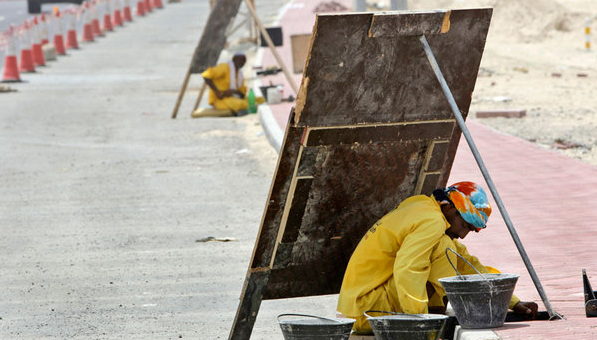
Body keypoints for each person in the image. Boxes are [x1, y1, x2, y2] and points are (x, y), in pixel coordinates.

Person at [337, 181, 538, 333]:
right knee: (445, 247)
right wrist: (419, 322)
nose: (463, 234)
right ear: (450, 208)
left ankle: (430, 311)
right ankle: (430, 313)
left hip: (362, 307)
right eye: (466, 225)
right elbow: (408, 268)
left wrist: (510, 301)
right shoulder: (433, 222)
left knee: (449, 248)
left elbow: (468, 264)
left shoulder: (424, 206)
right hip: (371, 311)